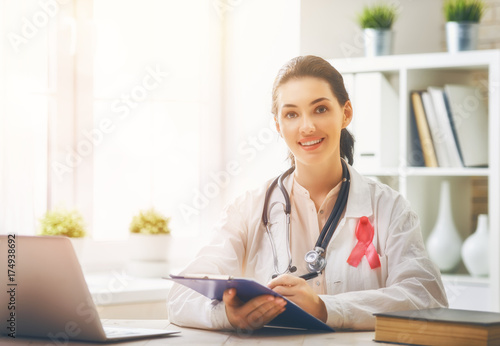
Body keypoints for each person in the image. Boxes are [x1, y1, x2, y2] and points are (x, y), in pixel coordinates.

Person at [166, 55, 448, 331]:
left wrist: (325, 308)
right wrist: (226, 315)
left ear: (345, 113)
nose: (307, 126)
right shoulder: (247, 208)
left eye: (320, 109)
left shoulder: (389, 208)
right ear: (278, 125)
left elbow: (427, 298)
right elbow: (180, 297)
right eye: (291, 114)